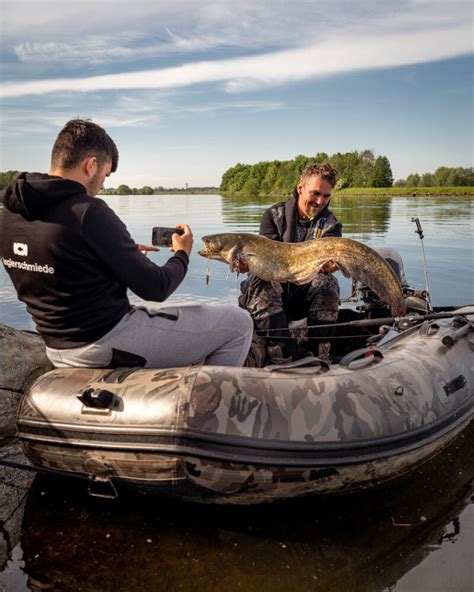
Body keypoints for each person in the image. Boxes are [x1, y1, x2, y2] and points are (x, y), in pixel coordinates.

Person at [0, 118, 253, 369]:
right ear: (91, 165)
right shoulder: (88, 212)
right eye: (105, 174)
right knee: (238, 323)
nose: (102, 184)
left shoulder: (9, 214)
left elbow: (58, 266)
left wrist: (115, 258)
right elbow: (157, 288)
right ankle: (210, 404)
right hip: (102, 342)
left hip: (56, 346)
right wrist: (182, 254)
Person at [239, 162, 341, 362]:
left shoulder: (331, 224)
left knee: (329, 284)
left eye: (326, 196)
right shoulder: (273, 216)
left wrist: (331, 266)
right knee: (261, 279)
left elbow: (328, 267)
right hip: (275, 292)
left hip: (303, 294)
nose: (320, 201)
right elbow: (265, 261)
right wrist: (248, 264)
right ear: (300, 188)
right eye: (315, 193)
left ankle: (317, 351)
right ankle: (282, 352)